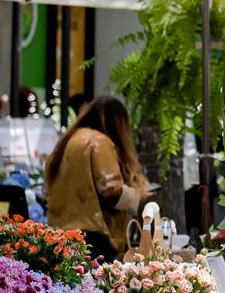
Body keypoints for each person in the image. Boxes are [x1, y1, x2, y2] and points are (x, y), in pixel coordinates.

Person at [45, 96, 150, 262]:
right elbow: (111, 190)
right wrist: (139, 195)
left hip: (63, 233)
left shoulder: (71, 138)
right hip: (94, 237)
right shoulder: (99, 142)